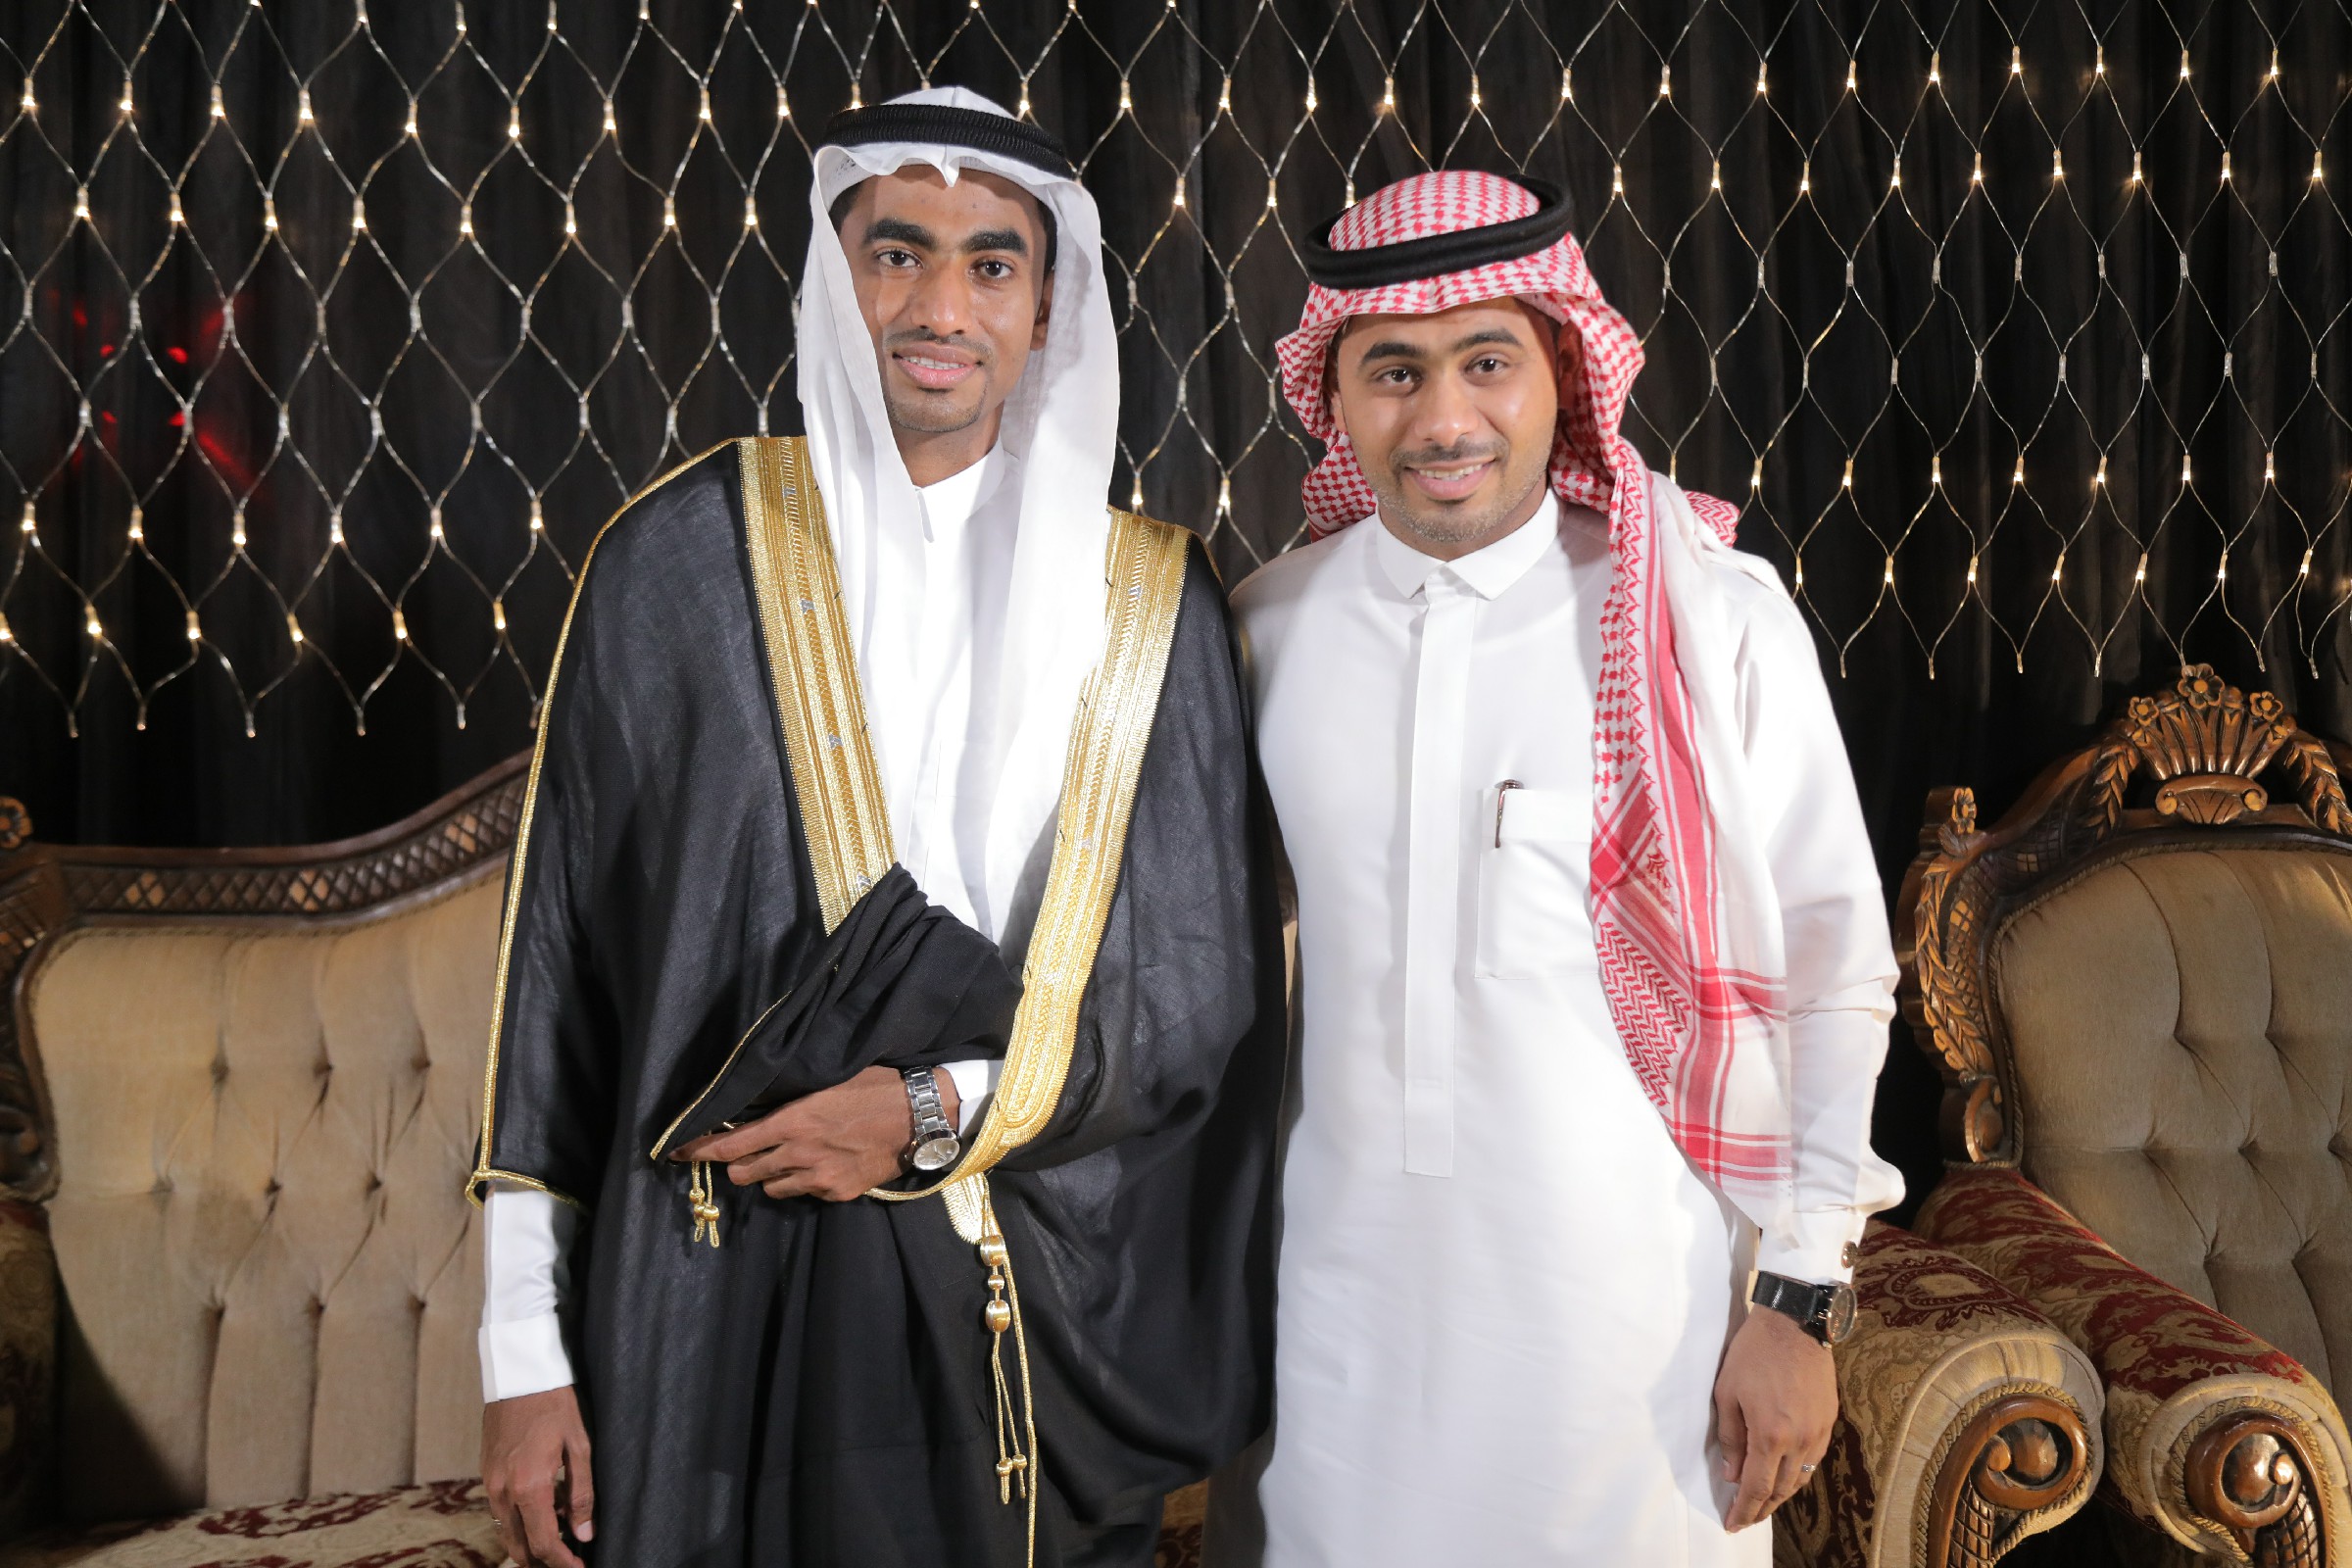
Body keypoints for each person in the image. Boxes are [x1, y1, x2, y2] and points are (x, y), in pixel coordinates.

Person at [468, 87, 1283, 1568]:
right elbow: (558, 983)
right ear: (832, 280)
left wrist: (922, 1113)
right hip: (718, 1278)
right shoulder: (673, 562)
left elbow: (1191, 989)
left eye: (992, 264)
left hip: (1029, 1287)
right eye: (896, 253)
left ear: (1047, 308)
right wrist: (520, 1358)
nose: (940, 307)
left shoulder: (1152, 603)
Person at [1225, 170, 1902, 1564]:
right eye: (1393, 371)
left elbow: (1836, 971)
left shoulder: (1706, 620)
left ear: (1563, 375)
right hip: (1338, 1337)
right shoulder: (1264, 630)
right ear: (1333, 395)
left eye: (1488, 363)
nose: (1443, 419)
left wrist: (1799, 1299)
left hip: (1636, 1348)